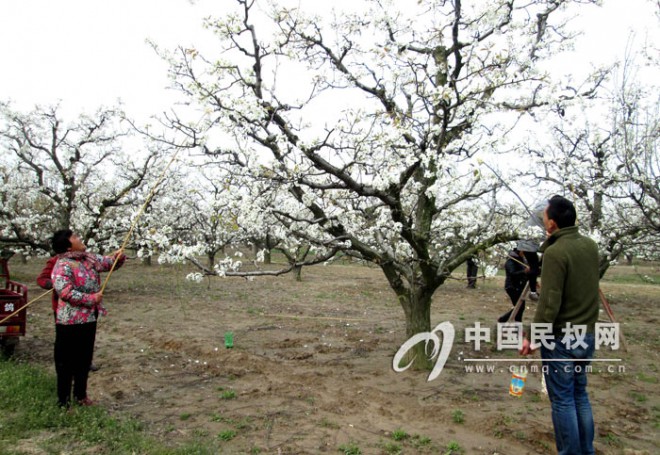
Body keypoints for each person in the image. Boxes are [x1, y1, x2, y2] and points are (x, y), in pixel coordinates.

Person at [520, 195, 600, 455]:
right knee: (580, 394)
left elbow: (549, 302)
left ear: (552, 223)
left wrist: (533, 337)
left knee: (563, 400)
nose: (542, 219)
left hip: (561, 339)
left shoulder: (555, 252)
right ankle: (585, 450)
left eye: (544, 216)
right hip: (585, 334)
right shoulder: (590, 246)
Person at [50, 229, 125, 408]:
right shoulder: (62, 265)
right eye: (75, 237)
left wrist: (117, 257)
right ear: (68, 245)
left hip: (89, 319)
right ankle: (63, 401)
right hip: (69, 322)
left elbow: (108, 264)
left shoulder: (88, 259)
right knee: (66, 362)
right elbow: (65, 292)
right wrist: (91, 299)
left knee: (84, 359)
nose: (79, 238)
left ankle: (81, 395)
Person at [37, 256, 100, 372]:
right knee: (66, 339)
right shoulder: (56, 261)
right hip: (65, 309)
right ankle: (66, 364)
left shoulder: (87, 261)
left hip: (88, 307)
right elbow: (42, 279)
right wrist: (58, 283)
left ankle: (86, 362)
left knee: (86, 338)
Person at [517, 199, 547, 301]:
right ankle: (533, 292)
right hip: (529, 243)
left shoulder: (540, 207)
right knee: (534, 268)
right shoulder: (545, 210)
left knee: (536, 266)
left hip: (528, 242)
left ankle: (533, 288)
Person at [498, 248, 529, 323]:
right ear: (520, 251)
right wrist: (524, 271)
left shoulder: (522, 260)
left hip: (520, 287)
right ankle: (505, 320)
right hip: (512, 287)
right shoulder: (510, 261)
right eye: (524, 252)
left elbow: (525, 275)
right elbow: (513, 274)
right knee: (519, 307)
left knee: (519, 307)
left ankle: (503, 319)